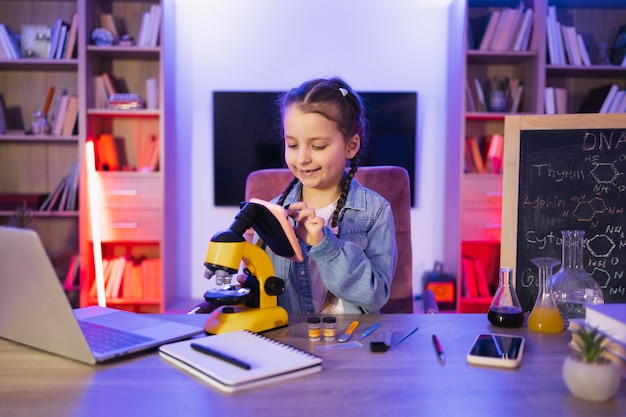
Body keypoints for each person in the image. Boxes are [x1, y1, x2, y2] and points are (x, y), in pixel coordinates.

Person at [263, 77, 398, 314]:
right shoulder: (274, 212)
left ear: (351, 146)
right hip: (289, 342)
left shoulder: (375, 212)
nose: (302, 158)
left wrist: (324, 245)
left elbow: (375, 296)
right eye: (292, 145)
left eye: (318, 146)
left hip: (352, 343)